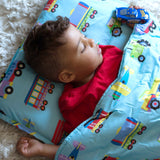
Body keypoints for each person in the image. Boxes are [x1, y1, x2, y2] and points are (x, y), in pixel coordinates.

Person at [16, 6, 139, 158]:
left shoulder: (110, 53)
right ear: (67, 76)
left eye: (84, 36)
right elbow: (83, 145)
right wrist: (43, 149)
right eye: (83, 47)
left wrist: (139, 24)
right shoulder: (74, 103)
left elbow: (143, 57)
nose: (92, 41)